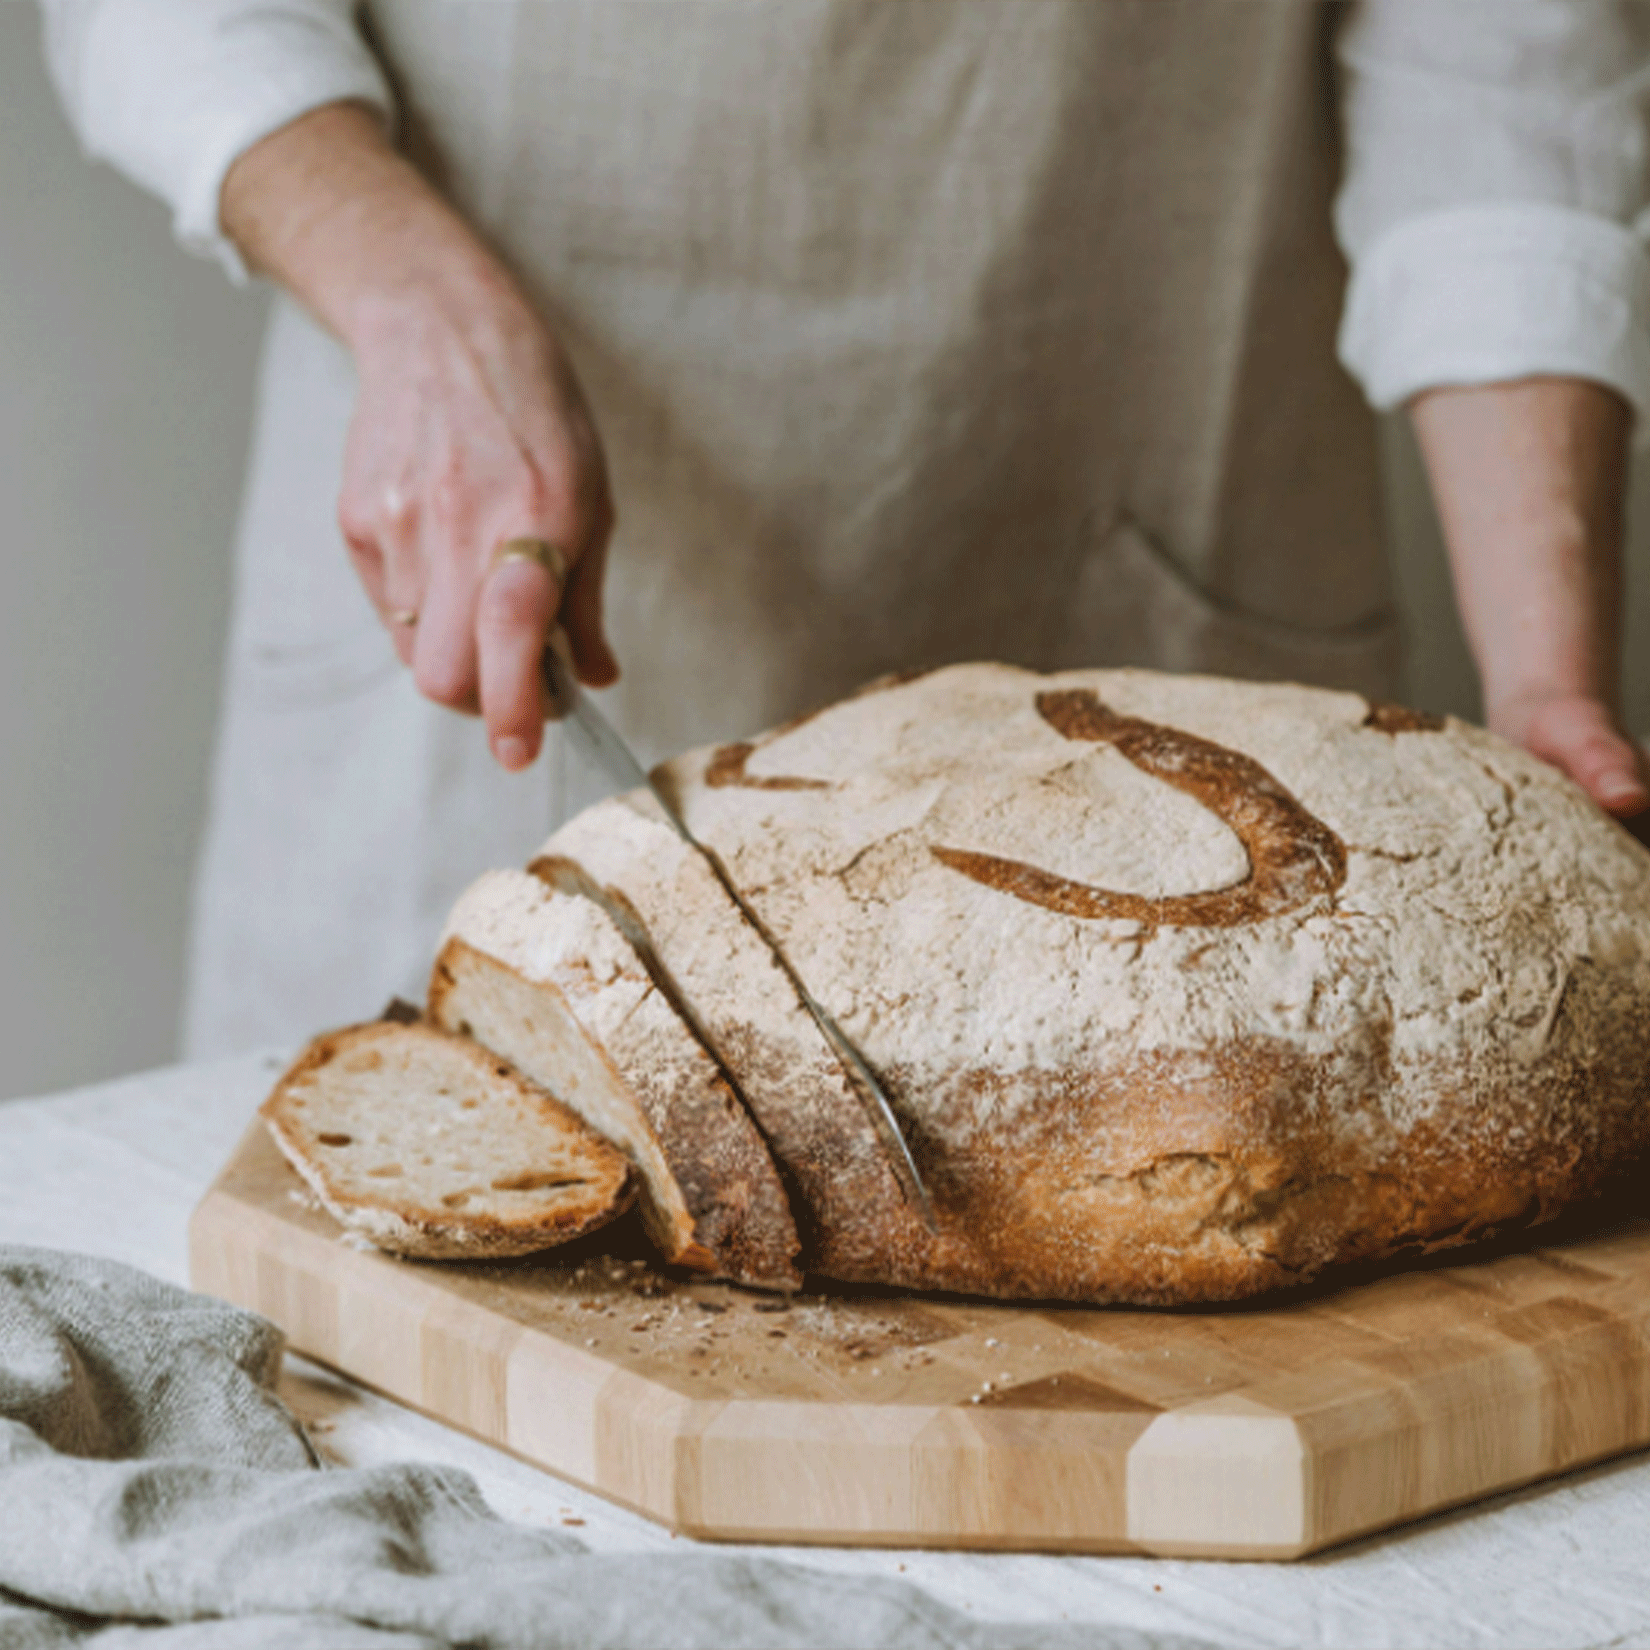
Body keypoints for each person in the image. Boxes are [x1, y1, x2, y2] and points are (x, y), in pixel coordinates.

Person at [40, 0, 1650, 1058]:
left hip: (1160, 612)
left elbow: (1499, 71)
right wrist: (414, 304)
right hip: (493, 603)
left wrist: (1546, 679)